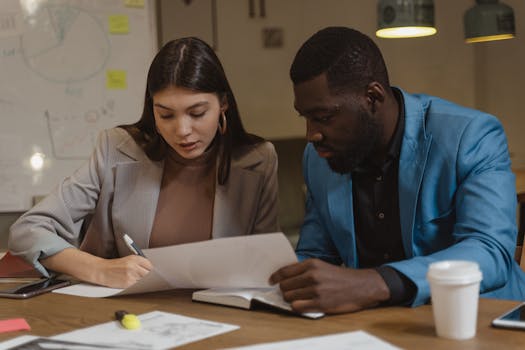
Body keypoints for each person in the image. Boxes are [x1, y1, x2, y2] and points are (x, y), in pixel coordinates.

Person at [269, 26, 525, 314]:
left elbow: (490, 253)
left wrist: (374, 283)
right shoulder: (317, 159)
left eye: (324, 117)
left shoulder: (470, 135)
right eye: (305, 117)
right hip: (372, 329)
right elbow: (316, 255)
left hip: (482, 320)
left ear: (373, 97)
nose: (311, 134)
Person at [9, 37, 279, 288]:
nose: (182, 130)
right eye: (166, 115)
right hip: (127, 317)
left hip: (221, 316)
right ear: (152, 110)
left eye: (197, 113)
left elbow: (266, 264)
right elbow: (28, 229)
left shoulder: (258, 160)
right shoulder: (117, 149)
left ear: (223, 105)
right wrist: (99, 269)